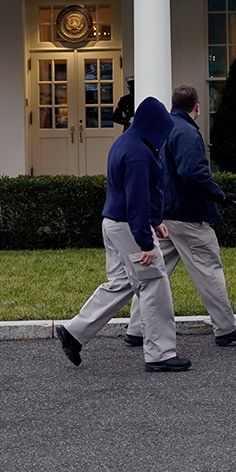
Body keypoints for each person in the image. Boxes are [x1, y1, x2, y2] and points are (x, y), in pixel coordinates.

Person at [56, 96, 190, 372]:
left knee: (121, 282)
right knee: (154, 284)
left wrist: (155, 221)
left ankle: (74, 332)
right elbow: (137, 201)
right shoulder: (140, 154)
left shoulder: (126, 141)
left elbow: (133, 195)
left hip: (113, 224)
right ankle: (160, 354)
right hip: (130, 227)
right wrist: (146, 242)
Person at [125, 85, 236, 349]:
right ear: (196, 107)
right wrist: (220, 196)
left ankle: (137, 328)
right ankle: (226, 327)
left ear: (172, 104)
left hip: (164, 214)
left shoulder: (163, 129)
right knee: (208, 268)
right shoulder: (186, 132)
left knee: (153, 273)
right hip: (187, 215)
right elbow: (193, 173)